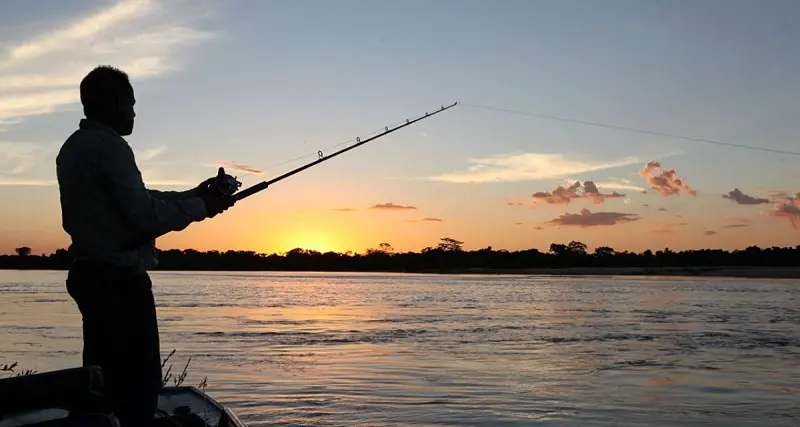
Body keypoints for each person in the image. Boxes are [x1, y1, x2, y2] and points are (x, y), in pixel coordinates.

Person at [55, 65, 236, 427]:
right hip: (118, 282)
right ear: (115, 103)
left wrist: (195, 195)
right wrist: (203, 207)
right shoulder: (111, 147)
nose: (135, 113)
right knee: (137, 385)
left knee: (104, 377)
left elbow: (133, 201)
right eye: (132, 105)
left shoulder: (73, 148)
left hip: (89, 274)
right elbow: (144, 216)